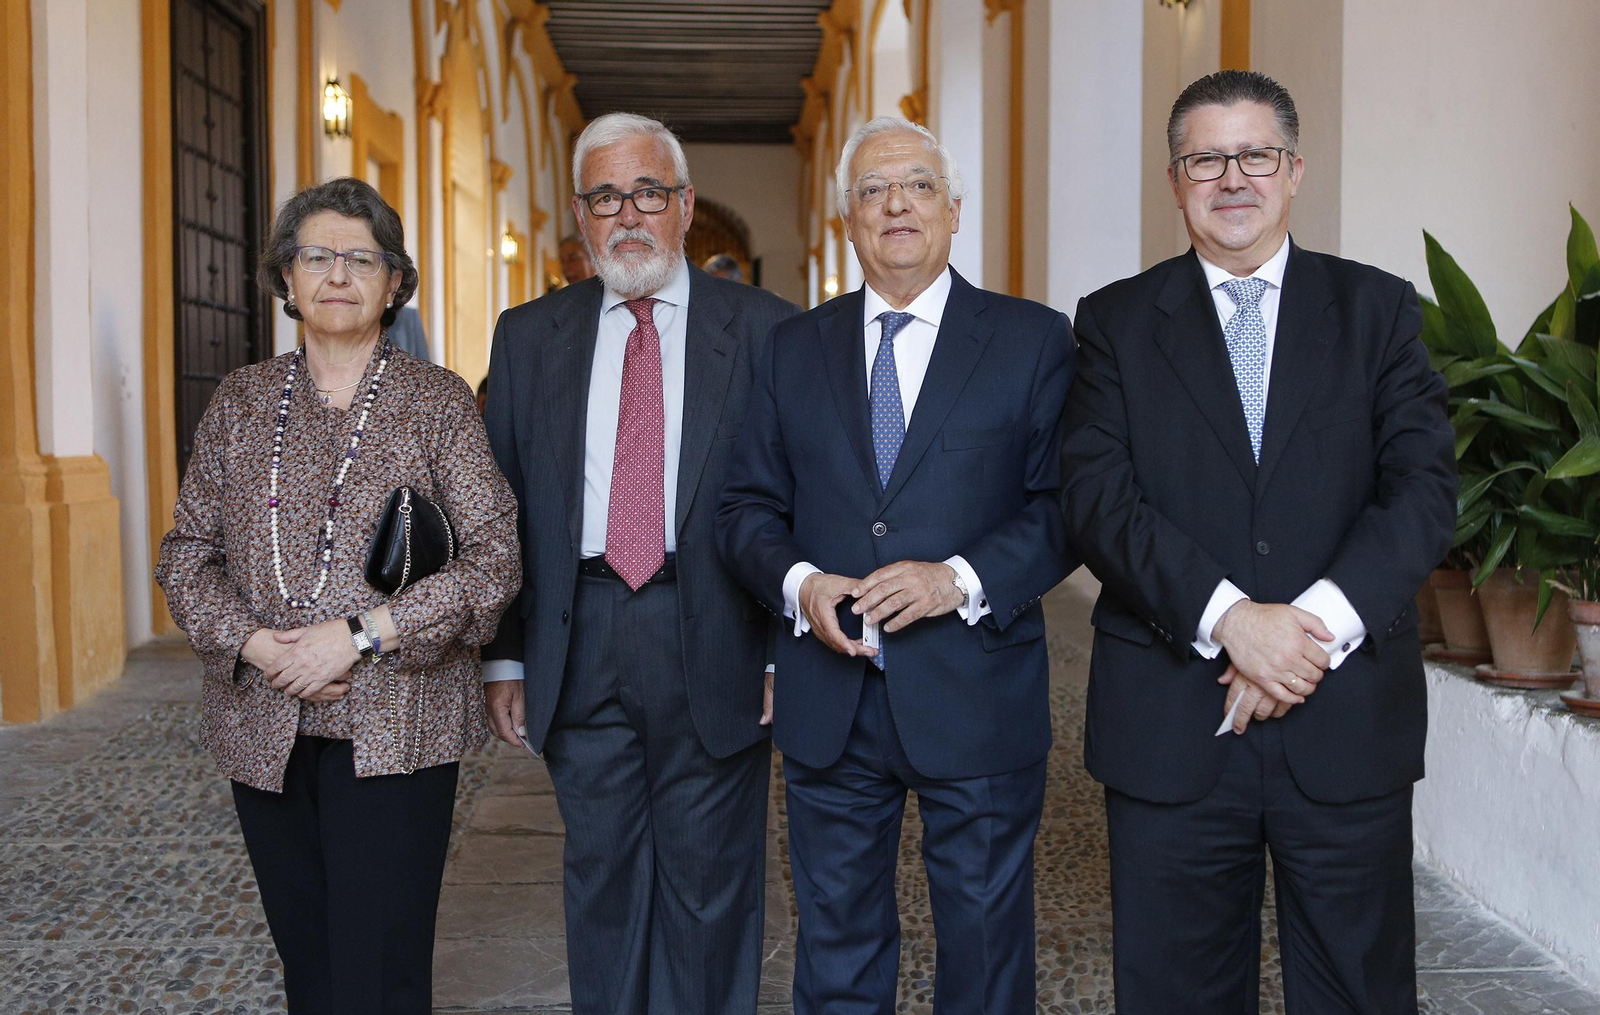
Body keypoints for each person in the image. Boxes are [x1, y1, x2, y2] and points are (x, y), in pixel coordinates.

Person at [1060, 70, 1456, 1014]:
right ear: (1175, 180)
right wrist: (1231, 620)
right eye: (1205, 158)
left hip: (1346, 720)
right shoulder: (1115, 322)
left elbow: (1424, 494)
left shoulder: (1380, 311)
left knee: (1360, 992)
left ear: (1293, 170)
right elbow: (1096, 498)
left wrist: (1302, 631)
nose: (1231, 177)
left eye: (1255, 155)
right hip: (1172, 724)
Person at [716, 116, 1076, 1013]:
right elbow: (746, 507)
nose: (896, 204)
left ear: (954, 211)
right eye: (873, 190)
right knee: (835, 952)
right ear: (849, 221)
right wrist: (803, 586)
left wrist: (957, 579)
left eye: (917, 184)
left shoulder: (1034, 340)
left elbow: (1066, 508)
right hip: (829, 695)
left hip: (977, 690)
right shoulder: (791, 348)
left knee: (987, 954)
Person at [154, 176, 521, 1015]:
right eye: (316, 255)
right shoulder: (241, 400)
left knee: (378, 965)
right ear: (286, 278)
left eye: (362, 258)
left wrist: (356, 635)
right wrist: (257, 645)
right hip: (263, 720)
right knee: (308, 955)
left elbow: (495, 557)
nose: (338, 275)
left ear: (395, 282)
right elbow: (186, 554)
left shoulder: (436, 402)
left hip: (394, 719)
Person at [479, 112, 800, 1015]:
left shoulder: (771, 330)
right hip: (579, 635)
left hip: (717, 626)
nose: (630, 215)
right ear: (581, 217)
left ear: (686, 206)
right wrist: (505, 655)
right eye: (606, 196)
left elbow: (799, 498)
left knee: (712, 888)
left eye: (649, 193)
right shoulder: (528, 334)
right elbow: (499, 503)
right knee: (601, 877)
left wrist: (785, 645)